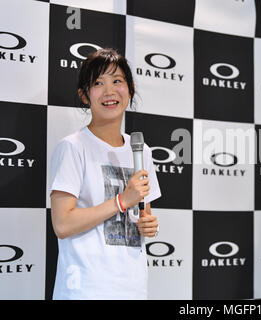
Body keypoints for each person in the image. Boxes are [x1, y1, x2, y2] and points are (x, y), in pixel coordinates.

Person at [49, 48, 161, 299]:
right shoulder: (72, 147)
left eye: (117, 81)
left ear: (130, 89)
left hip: (133, 287)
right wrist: (121, 201)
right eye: (98, 83)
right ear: (84, 95)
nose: (109, 91)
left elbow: (144, 215)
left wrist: (149, 225)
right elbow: (62, 224)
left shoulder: (142, 151)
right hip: (86, 289)